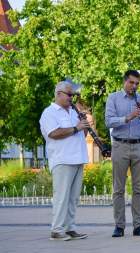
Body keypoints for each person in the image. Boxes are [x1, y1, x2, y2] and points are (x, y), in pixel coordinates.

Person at [105, 70, 140, 237]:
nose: (134, 86)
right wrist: (127, 117)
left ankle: (138, 226)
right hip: (120, 145)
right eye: (131, 83)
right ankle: (119, 226)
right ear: (125, 81)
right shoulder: (113, 98)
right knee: (118, 189)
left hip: (139, 146)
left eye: (137, 83)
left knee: (139, 188)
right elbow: (108, 121)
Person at [39, 81, 90, 241]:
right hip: (62, 159)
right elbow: (54, 133)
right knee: (61, 196)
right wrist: (76, 128)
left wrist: (85, 125)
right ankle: (57, 230)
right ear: (59, 94)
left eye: (73, 95)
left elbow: (83, 135)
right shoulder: (49, 112)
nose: (71, 98)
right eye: (69, 94)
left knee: (73, 197)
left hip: (78, 158)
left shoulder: (74, 112)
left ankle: (70, 228)